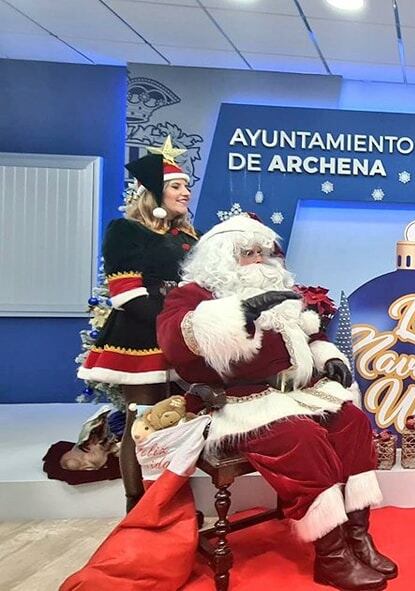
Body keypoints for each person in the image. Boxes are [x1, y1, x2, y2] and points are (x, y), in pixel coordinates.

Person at [156, 213, 396, 591]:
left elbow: (305, 334)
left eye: (262, 252)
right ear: (221, 257)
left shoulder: (281, 291)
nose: (258, 260)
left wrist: (326, 357)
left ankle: (357, 537)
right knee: (301, 438)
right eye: (247, 252)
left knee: (352, 422)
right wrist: (240, 315)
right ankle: (331, 556)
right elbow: (174, 342)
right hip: (239, 402)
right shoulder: (194, 294)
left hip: (296, 394)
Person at [78, 138, 199, 511]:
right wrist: (170, 325)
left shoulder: (186, 237)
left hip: (175, 333)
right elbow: (125, 292)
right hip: (140, 337)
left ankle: (168, 501)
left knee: (174, 419)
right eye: (176, 186)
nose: (185, 193)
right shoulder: (125, 230)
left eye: (187, 187)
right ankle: (138, 505)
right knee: (141, 422)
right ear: (153, 193)